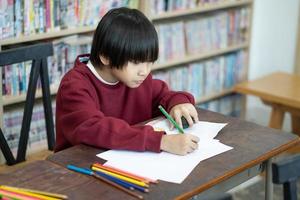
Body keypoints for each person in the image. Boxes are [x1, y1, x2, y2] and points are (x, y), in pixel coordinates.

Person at [55, 7, 199, 155]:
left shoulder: (136, 78)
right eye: (136, 62)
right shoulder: (74, 85)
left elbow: (163, 95)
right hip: (79, 165)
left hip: (125, 159)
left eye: (149, 62)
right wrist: (159, 141)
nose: (144, 71)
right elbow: (93, 128)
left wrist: (179, 103)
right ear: (105, 56)